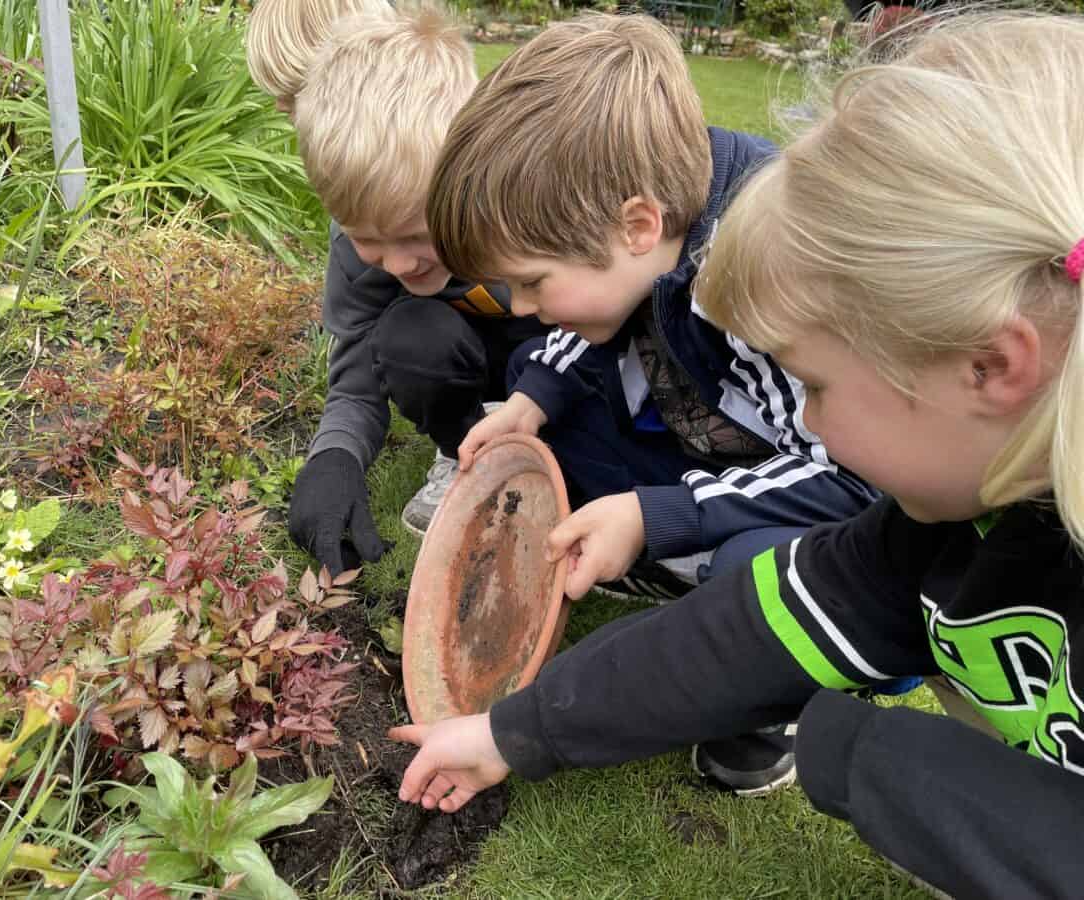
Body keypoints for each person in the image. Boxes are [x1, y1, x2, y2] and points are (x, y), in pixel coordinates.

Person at [393, 13, 1084, 896]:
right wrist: (510, 733)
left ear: (992, 366)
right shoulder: (947, 523)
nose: (815, 422)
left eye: (818, 387)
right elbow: (753, 632)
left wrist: (872, 755)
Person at [423, 12, 890, 794]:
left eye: (534, 282)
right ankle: (660, 561)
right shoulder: (647, 230)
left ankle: (765, 717)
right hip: (702, 437)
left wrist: (659, 513)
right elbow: (601, 319)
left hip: (817, 491)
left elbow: (852, 482)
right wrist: (532, 397)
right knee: (551, 450)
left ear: (638, 225)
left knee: (753, 568)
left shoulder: (762, 282)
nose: (525, 308)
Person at [245, 0, 548, 574]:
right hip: (467, 360)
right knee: (411, 335)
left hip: (558, 357)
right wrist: (333, 458)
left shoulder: (523, 201)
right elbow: (360, 365)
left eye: (413, 234)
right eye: (370, 240)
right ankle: (466, 446)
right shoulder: (366, 235)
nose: (397, 263)